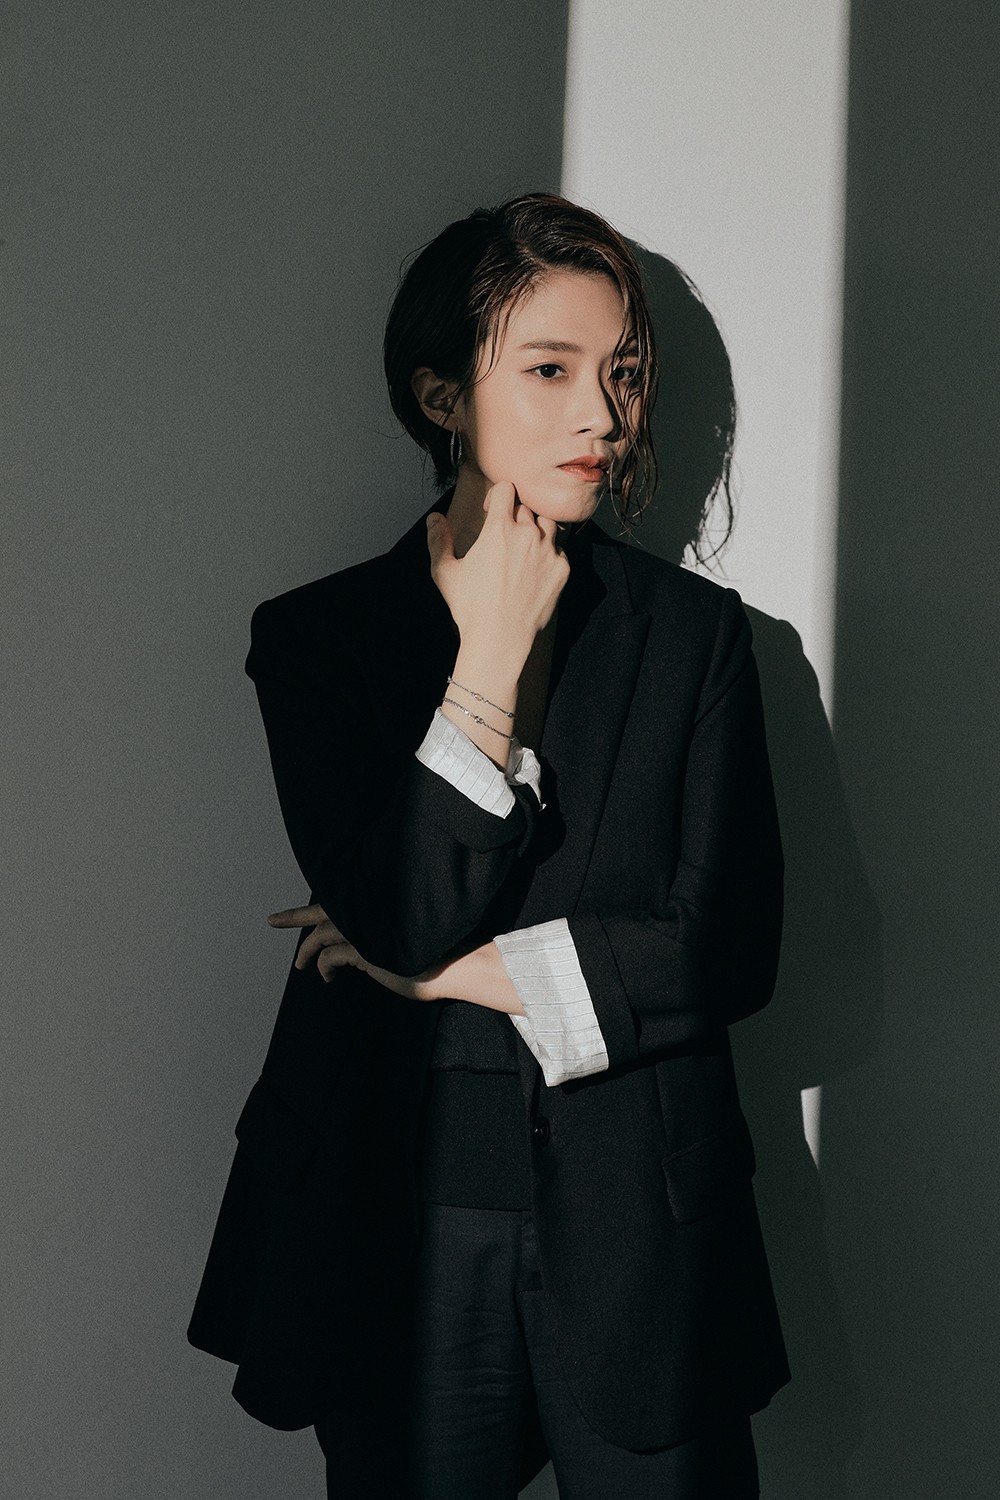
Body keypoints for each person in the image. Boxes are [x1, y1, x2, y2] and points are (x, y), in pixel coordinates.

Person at [188, 192, 789, 1498]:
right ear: (442, 397)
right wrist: (494, 653)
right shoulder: (320, 641)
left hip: (642, 1234)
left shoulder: (697, 640)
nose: (603, 415)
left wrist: (449, 976)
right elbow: (404, 906)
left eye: (623, 373)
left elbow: (729, 944)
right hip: (385, 1220)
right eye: (552, 370)